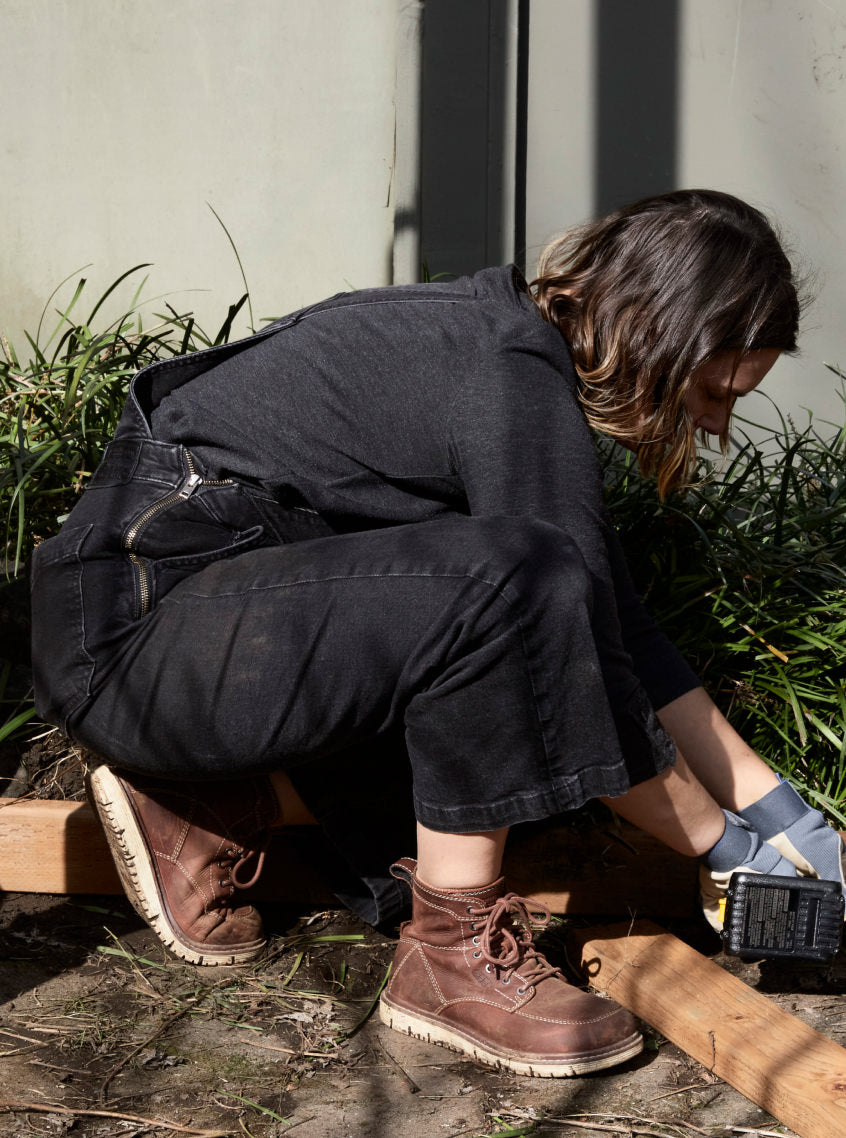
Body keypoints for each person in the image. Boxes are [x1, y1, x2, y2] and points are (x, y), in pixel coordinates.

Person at [30, 189, 845, 1079]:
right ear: (662, 328)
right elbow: (576, 651)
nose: (717, 422)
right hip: (142, 648)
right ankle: (450, 956)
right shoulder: (506, 378)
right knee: (519, 589)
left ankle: (213, 803)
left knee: (530, 734)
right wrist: (723, 850)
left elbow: (617, 628)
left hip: (192, 642)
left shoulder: (511, 354)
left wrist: (786, 817)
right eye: (713, 388)